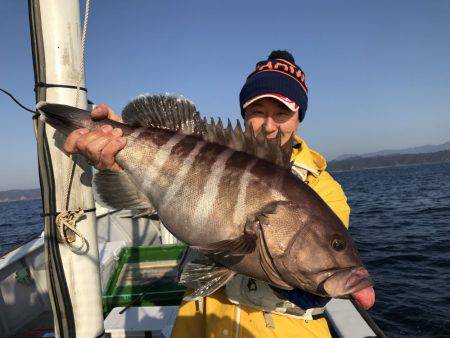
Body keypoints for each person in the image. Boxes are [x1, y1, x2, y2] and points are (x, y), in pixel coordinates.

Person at [64, 50, 352, 337]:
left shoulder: (324, 189)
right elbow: (167, 194)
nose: (269, 125)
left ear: (298, 115)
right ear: (244, 113)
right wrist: (121, 144)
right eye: (257, 112)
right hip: (199, 321)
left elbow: (317, 284)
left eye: (282, 114)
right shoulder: (217, 157)